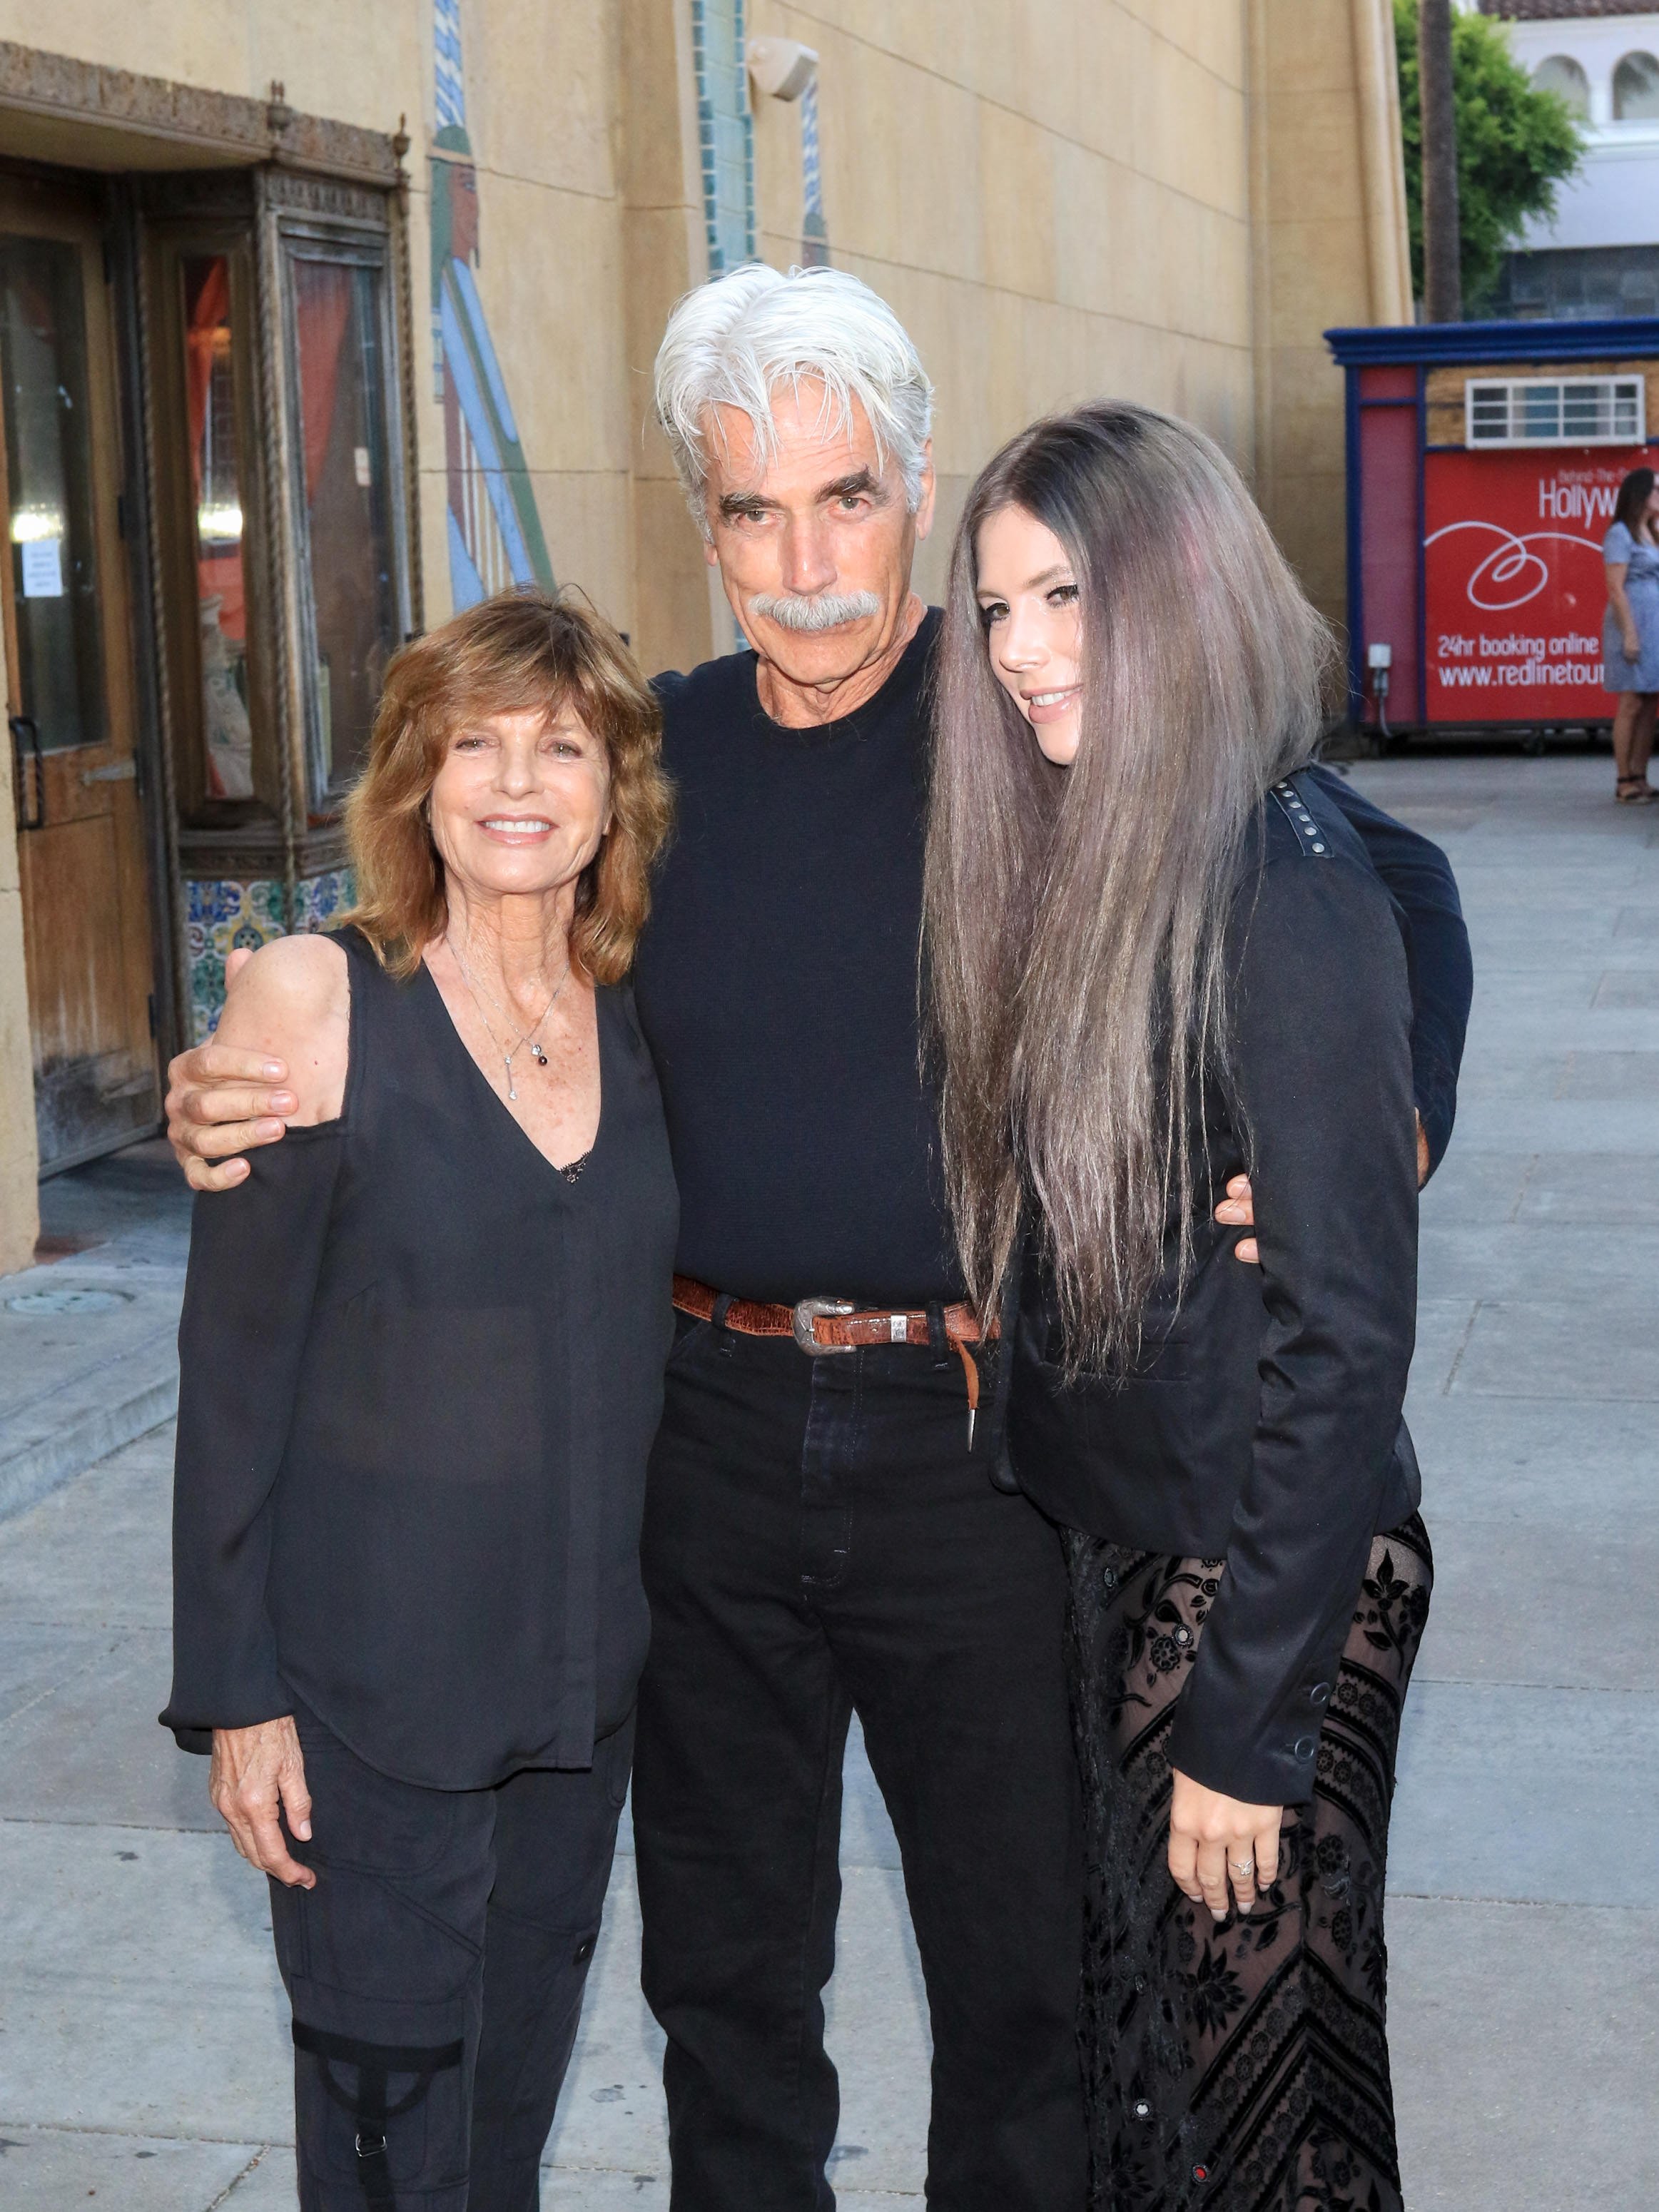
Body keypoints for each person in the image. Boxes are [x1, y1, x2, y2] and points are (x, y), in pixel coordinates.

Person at [162, 266, 1470, 2211]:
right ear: (701, 521)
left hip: (977, 1445)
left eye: (845, 497)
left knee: (1021, 1982)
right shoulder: (651, 768)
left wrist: (1376, 1132)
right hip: (694, 1441)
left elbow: (1388, 875)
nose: (803, 560)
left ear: (913, 482)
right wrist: (243, 1072)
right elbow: (466, 933)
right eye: (750, 509)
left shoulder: (1028, 704)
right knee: (725, 1980)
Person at [925, 401, 1435, 2211]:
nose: (1023, 653)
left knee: (1260, 2119)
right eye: (995, 610)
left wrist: (1249, 1718)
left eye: (1066, 596)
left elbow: (1349, 1340)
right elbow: (1432, 892)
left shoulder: (1276, 877)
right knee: (1165, 2084)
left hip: (1261, 1573)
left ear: (1180, 587)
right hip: (1137, 1541)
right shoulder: (1124, 829)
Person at [161, 591, 677, 2211]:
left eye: (562, 744)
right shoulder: (314, 1002)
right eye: (476, 742)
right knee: (388, 2154)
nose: (517, 780)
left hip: (580, 1698)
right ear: (416, 777)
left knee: (506, 2129)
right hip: (369, 1709)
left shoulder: (645, 1006)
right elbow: (231, 1373)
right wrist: (236, 1693)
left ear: (613, 791)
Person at [1604, 465, 1659, 805]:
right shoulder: (1620, 534)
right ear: (1641, 495)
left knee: (1651, 702)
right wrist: (1630, 634)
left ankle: (1641, 776)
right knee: (1631, 702)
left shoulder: (1651, 532)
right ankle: (1624, 778)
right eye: (1656, 490)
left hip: (1654, 626)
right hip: (1632, 624)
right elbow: (1615, 587)